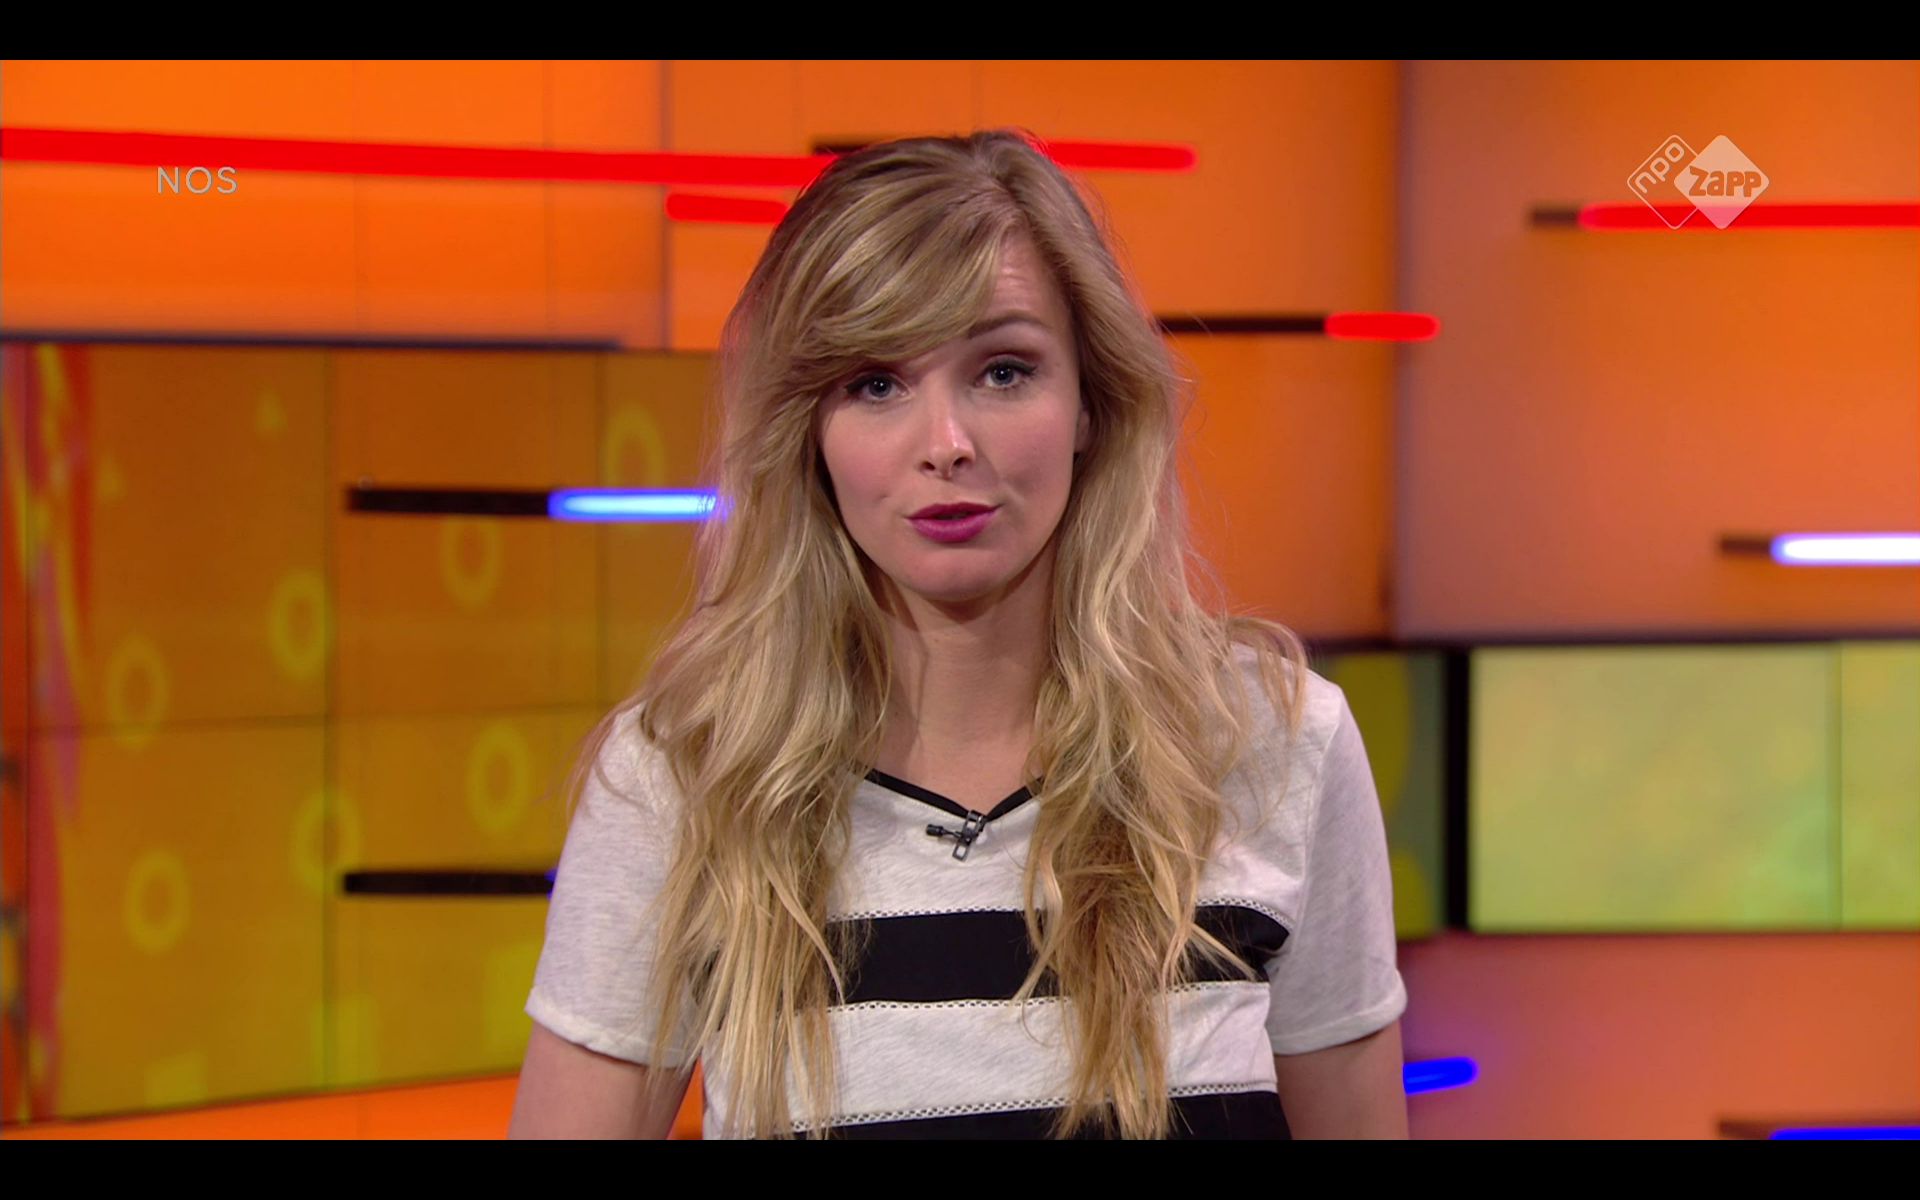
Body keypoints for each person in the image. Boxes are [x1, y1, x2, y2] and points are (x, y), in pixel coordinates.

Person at [510, 129, 1408, 1140]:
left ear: (1091, 403)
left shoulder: (1273, 746)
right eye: (875, 383)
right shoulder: (685, 778)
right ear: (808, 432)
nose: (946, 444)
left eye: (1004, 371)